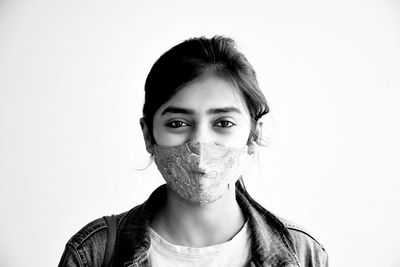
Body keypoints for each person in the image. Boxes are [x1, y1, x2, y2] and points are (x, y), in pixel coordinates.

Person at [59, 36, 328, 267]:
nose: (200, 143)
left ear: (252, 135)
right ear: (148, 135)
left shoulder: (303, 253)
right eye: (178, 123)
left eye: (224, 123)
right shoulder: (92, 254)